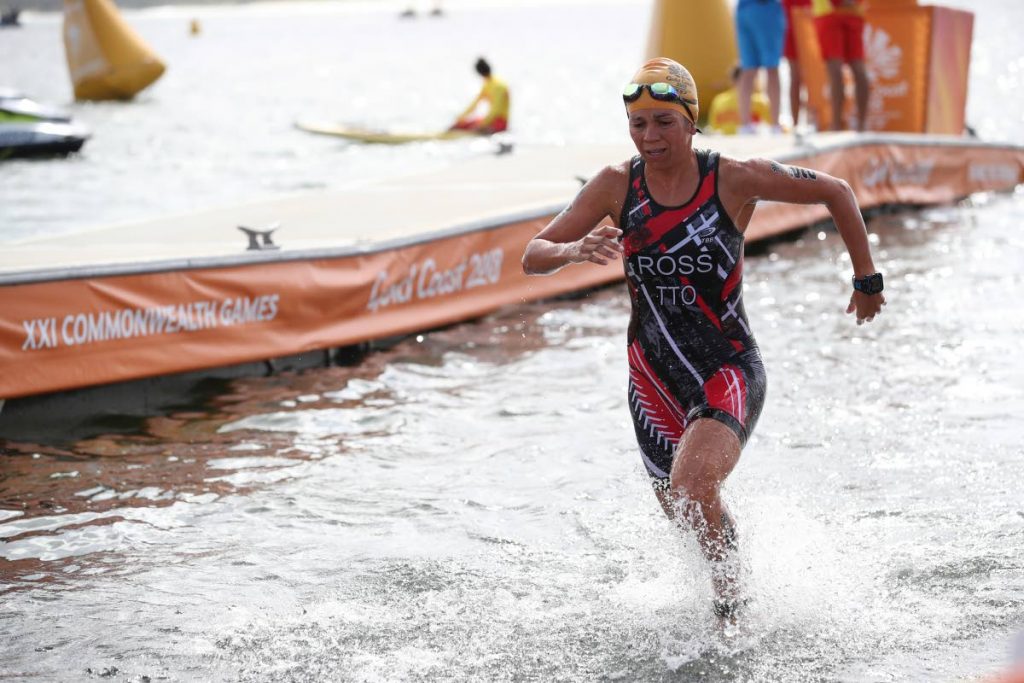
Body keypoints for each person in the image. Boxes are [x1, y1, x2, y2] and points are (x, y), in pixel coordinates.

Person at [521, 57, 885, 619]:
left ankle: (733, 619)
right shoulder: (617, 185)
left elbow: (835, 191)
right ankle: (729, 604)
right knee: (688, 514)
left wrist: (866, 280)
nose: (650, 136)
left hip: (728, 369)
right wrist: (572, 250)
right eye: (638, 123)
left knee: (693, 488)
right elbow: (533, 254)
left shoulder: (733, 178)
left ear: (692, 122)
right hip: (652, 379)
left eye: (664, 121)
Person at [813, 0, 870, 131]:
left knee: (856, 69)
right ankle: (838, 125)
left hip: (847, 12)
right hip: (830, 11)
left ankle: (858, 126)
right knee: (837, 70)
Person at [734, 0, 785, 134]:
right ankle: (775, 125)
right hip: (765, 8)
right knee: (771, 67)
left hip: (743, 9)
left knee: (748, 68)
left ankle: (745, 125)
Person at [449, 57, 509, 135]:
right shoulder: (487, 84)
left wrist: (481, 125)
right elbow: (474, 104)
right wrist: (460, 119)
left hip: (500, 123)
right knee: (461, 125)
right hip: (490, 120)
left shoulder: (499, 86)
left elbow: (495, 111)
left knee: (474, 127)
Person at [707, 65, 772, 135]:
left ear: (732, 80)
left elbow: (713, 128)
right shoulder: (759, 101)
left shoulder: (718, 100)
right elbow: (772, 126)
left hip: (725, 140)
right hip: (750, 140)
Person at [782, 0, 813, 128]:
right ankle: (795, 124)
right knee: (795, 76)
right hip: (791, 17)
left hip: (810, 16)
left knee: (815, 76)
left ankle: (815, 119)